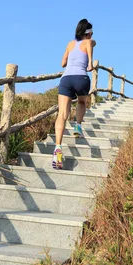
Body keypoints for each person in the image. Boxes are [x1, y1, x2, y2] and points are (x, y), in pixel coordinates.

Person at [53, 19, 96, 169]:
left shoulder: (70, 44)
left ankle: (57, 147)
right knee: (82, 102)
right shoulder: (90, 42)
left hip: (66, 79)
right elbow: (90, 55)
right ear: (88, 33)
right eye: (91, 32)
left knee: (61, 114)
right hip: (81, 78)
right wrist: (90, 63)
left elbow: (63, 63)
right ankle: (77, 126)